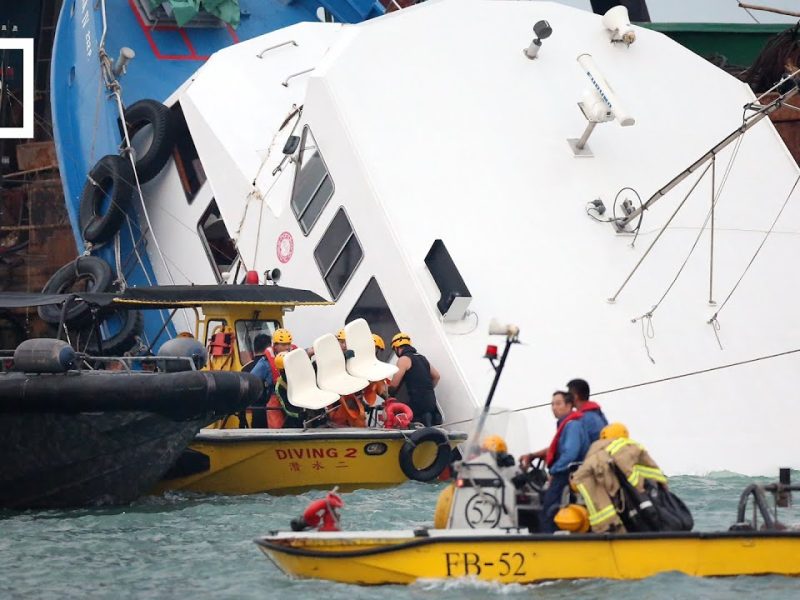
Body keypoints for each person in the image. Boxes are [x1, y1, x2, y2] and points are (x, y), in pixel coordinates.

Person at [572, 422, 671, 533]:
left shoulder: (596, 454)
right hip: (638, 504)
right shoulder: (629, 447)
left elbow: (578, 480)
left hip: (606, 523)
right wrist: (640, 490)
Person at [538, 390, 589, 533]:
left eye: (558, 403)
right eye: (552, 404)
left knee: (549, 512)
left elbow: (570, 454)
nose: (554, 407)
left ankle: (547, 545)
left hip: (565, 476)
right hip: (566, 475)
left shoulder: (572, 425)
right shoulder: (567, 425)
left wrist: (553, 471)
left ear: (569, 405)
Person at [388, 332, 442, 427]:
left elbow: (394, 385)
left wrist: (389, 393)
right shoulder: (422, 358)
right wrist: (427, 389)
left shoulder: (404, 359)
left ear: (396, 348)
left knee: (398, 418)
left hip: (417, 403)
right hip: (431, 401)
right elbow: (437, 376)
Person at [566, 378, 608, 443]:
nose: (567, 398)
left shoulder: (588, 418)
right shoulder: (596, 414)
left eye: (568, 394)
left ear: (575, 396)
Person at [270, 351, 304, 428]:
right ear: (282, 371)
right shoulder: (280, 387)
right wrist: (299, 414)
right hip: (295, 418)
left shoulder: (302, 376)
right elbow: (287, 408)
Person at [249, 334, 274, 427]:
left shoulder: (244, 369)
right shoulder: (273, 365)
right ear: (269, 347)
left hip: (254, 412)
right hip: (272, 411)